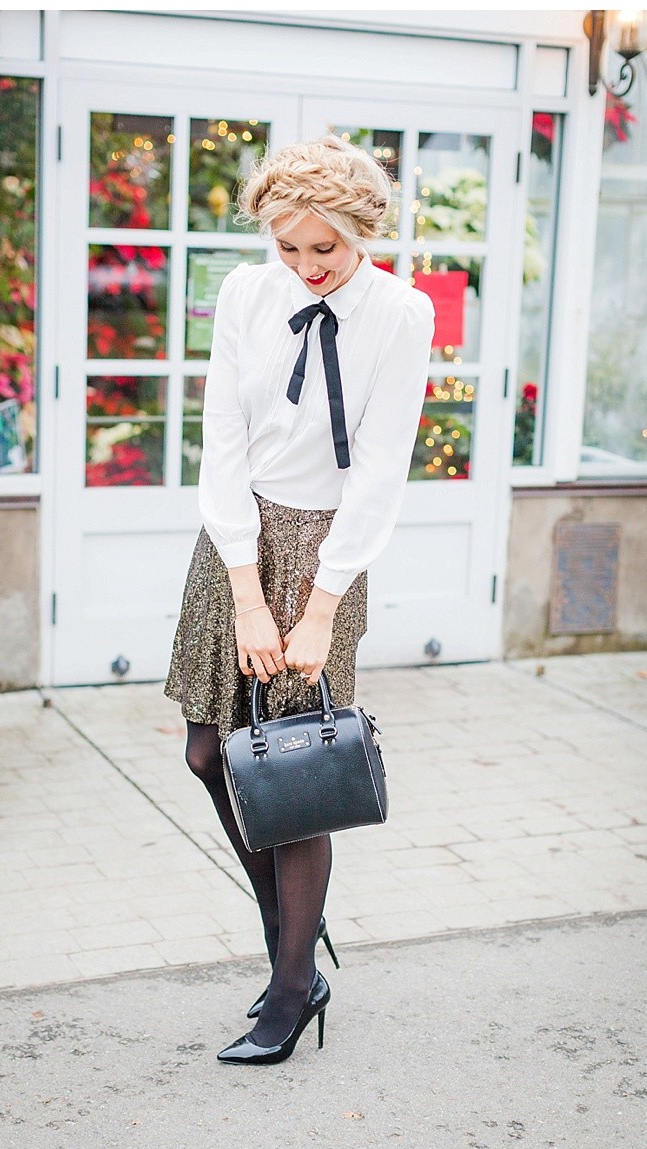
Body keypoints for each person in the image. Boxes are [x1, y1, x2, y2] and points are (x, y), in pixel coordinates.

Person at [165, 134, 434, 1065]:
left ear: (364, 232)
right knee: (212, 752)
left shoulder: (402, 313)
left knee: (299, 768)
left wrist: (318, 609)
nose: (308, 268)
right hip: (235, 540)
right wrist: (245, 591)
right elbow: (223, 436)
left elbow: (381, 472)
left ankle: (288, 985)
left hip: (327, 550)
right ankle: (296, 938)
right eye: (290, 247)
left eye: (326, 249)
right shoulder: (248, 292)